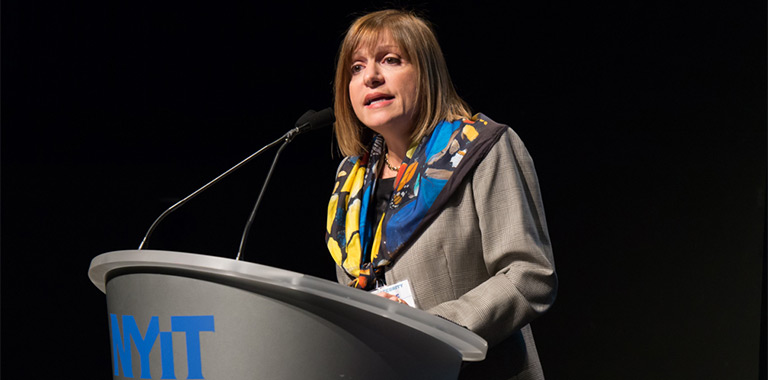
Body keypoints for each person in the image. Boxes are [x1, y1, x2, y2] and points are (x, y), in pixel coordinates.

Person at [325, 9, 557, 379]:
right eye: (355, 67)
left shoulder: (481, 149)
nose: (370, 76)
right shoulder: (350, 186)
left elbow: (529, 275)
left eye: (390, 60)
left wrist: (430, 329)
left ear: (426, 73)